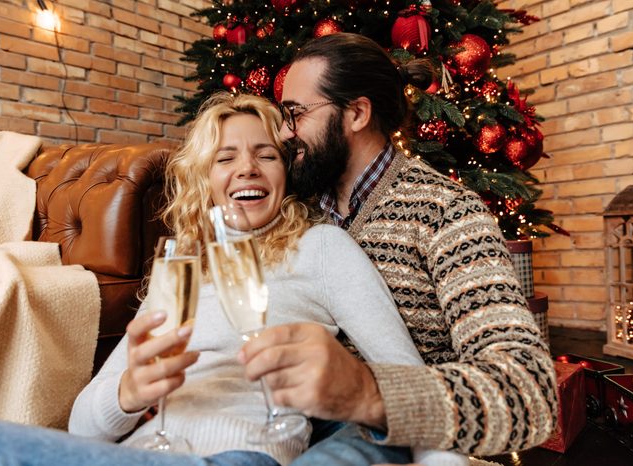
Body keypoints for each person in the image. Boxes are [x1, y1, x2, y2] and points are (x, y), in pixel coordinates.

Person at [0, 92, 465, 466]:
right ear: (206, 181)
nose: (248, 168)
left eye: (265, 154)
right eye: (226, 157)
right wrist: (126, 392)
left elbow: (405, 381)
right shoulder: (181, 269)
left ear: (285, 174)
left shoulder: (321, 250)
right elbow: (85, 427)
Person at [238, 32, 558, 464]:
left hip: (395, 447)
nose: (283, 132)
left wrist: (370, 394)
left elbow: (529, 393)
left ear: (356, 112)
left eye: (296, 113)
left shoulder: (446, 212)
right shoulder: (297, 212)